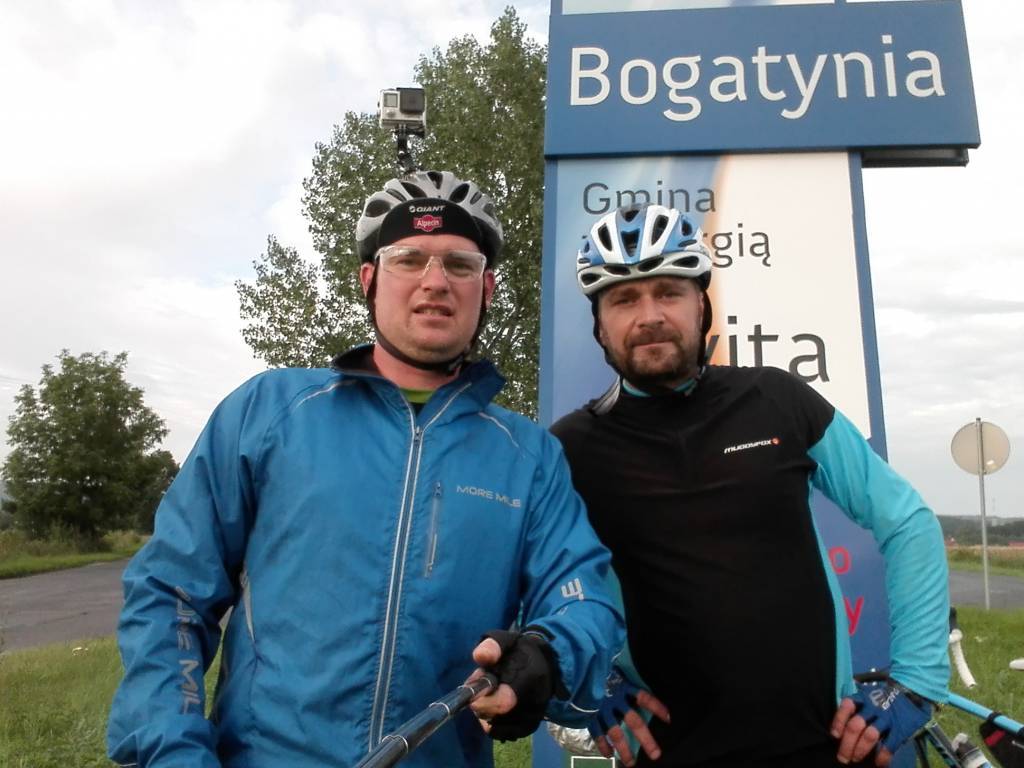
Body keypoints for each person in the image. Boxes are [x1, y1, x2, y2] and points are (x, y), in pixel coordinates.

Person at [107, 170, 625, 768]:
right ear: (369, 280)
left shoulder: (528, 456)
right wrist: (171, 750)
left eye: (460, 264)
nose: (435, 281)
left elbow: (583, 600)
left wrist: (547, 655)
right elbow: (171, 593)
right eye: (409, 259)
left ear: (486, 288)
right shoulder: (269, 411)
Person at [549, 202, 949, 768]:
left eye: (669, 292)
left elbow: (907, 521)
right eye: (624, 299)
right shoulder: (571, 446)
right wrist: (588, 681)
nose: (649, 315)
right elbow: (532, 579)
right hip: (669, 754)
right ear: (599, 324)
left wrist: (915, 683)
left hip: (825, 746)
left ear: (701, 303)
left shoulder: (779, 400)